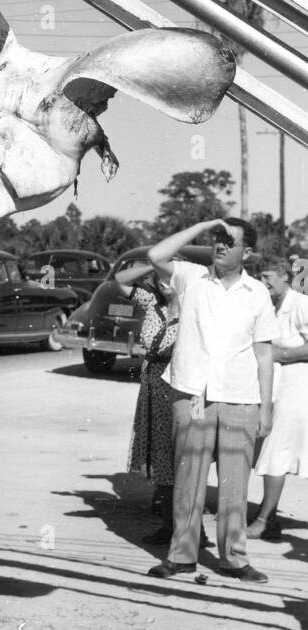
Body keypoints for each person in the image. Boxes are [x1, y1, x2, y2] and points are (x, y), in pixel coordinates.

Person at [145, 217, 278, 582]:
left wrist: (266, 406)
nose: (219, 246)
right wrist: (205, 223)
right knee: (188, 480)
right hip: (192, 394)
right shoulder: (191, 278)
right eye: (216, 239)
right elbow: (156, 254)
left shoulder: (258, 293)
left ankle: (234, 558)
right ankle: (182, 555)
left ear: (246, 252)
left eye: (229, 241)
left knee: (235, 486)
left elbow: (264, 352)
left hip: (240, 398)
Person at [247, 255, 308, 538]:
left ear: (285, 276)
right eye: (260, 277)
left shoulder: (301, 304)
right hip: (275, 386)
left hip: (297, 387)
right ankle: (265, 514)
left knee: (277, 448)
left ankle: (265, 519)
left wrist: (280, 355)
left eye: (267, 277)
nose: (262, 282)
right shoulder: (269, 306)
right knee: (271, 448)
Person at [117, 261, 178, 541]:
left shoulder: (195, 306)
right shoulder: (151, 300)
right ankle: (170, 524)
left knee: (182, 457)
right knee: (161, 456)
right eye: (161, 277)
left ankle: (187, 528)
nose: (165, 282)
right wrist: (152, 262)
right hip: (153, 383)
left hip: (179, 384)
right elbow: (120, 280)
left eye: (171, 277)